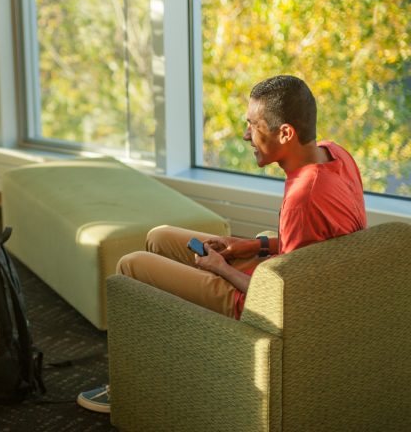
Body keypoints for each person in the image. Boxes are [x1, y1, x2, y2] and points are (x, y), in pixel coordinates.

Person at [77, 74, 367, 414]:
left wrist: (221, 270)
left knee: (130, 265)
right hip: (281, 277)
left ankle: (129, 388)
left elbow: (285, 302)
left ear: (285, 133)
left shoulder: (304, 198)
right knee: (160, 236)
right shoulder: (335, 155)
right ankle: (165, 360)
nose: (246, 135)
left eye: (253, 126)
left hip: (257, 303)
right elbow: (317, 247)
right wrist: (250, 246)